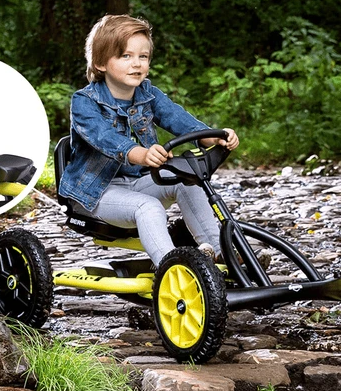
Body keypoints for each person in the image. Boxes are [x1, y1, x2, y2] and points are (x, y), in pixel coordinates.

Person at [58, 14, 239, 267]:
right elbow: (104, 137)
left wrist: (212, 136)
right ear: (100, 63)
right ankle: (169, 269)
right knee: (149, 207)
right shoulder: (84, 102)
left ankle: (222, 254)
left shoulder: (148, 94)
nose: (137, 64)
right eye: (126, 56)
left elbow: (178, 118)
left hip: (137, 182)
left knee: (189, 182)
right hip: (95, 193)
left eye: (143, 57)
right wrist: (141, 154)